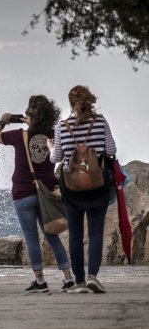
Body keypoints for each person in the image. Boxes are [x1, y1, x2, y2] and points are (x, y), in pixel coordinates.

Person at [0, 95, 74, 293]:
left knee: (31, 238)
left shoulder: (20, 135)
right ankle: (69, 279)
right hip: (46, 194)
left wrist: (3, 120)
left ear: (31, 115)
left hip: (23, 194)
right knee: (52, 236)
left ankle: (40, 281)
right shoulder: (54, 136)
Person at [50, 85, 117, 294]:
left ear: (71, 104)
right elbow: (112, 150)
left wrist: (52, 147)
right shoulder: (100, 122)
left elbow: (56, 158)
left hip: (71, 188)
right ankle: (93, 277)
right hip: (97, 185)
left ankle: (78, 281)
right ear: (90, 101)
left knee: (76, 234)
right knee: (96, 233)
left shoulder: (62, 126)